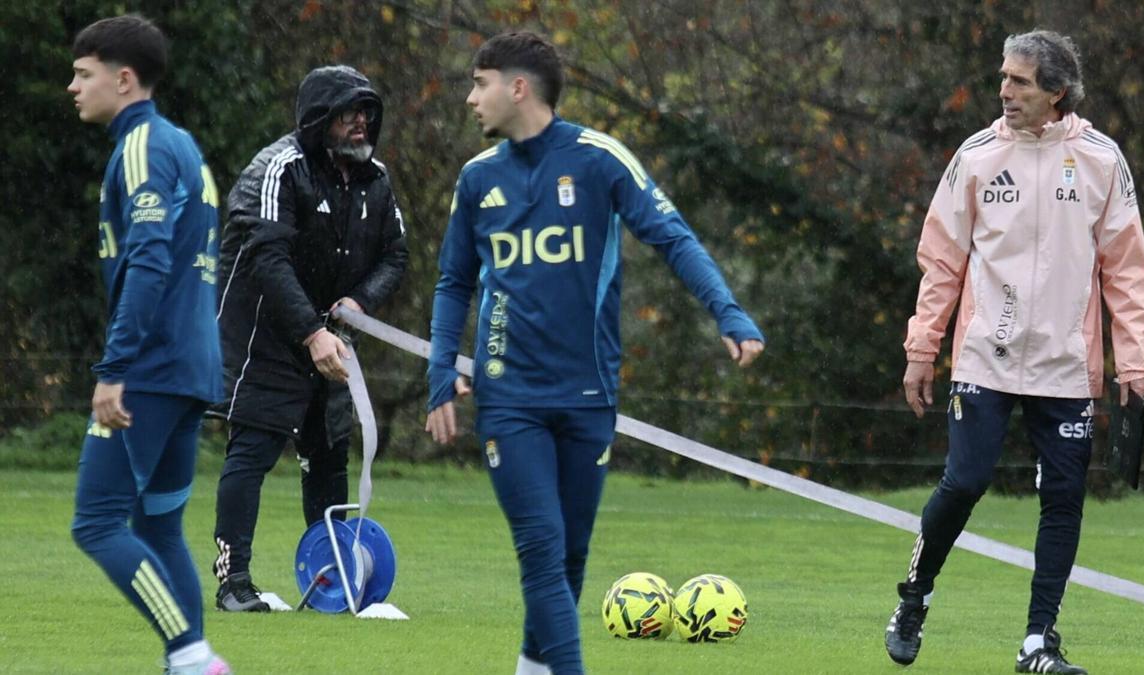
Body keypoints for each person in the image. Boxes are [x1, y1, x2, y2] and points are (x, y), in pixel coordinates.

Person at [425, 32, 765, 675]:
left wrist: (727, 310)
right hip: (508, 395)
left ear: (517, 88)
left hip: (588, 392)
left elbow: (672, 236)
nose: (471, 98)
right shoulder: (478, 179)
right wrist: (441, 369)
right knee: (541, 549)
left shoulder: (599, 159)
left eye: (480, 83)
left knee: (570, 556)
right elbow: (453, 282)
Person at [886, 30, 1144, 674]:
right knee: (965, 482)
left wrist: (1133, 361)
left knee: (1063, 499)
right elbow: (941, 262)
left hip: (1066, 366)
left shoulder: (1101, 159)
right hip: (986, 356)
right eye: (1003, 77)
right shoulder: (976, 155)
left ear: (1056, 91)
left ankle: (1038, 641)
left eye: (1019, 80)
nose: (1004, 90)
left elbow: (1126, 270)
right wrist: (922, 347)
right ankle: (914, 598)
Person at [210, 65, 408, 611]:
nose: (361, 122)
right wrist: (311, 332)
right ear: (319, 119)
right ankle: (233, 583)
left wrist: (359, 302)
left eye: (366, 112)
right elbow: (267, 258)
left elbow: (395, 255)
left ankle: (334, 580)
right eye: (348, 113)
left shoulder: (376, 179)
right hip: (266, 336)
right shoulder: (279, 168)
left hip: (332, 337)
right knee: (253, 449)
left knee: (327, 454)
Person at [67, 14, 231, 675]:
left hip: (151, 369)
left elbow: (150, 260)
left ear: (124, 79)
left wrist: (115, 368)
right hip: (191, 366)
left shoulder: (143, 147)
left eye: (83, 74)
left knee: (96, 523)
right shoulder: (182, 145)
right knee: (159, 528)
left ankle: (192, 654)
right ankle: (187, 663)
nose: (73, 87)